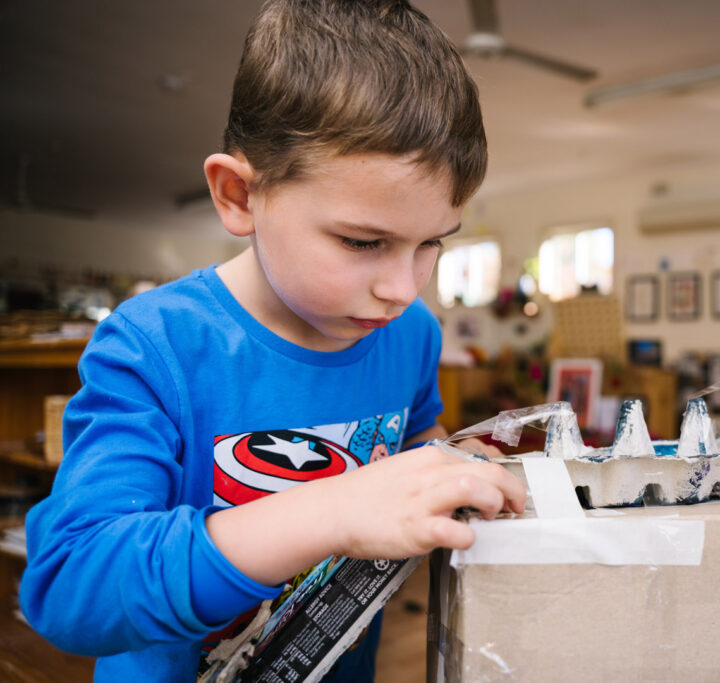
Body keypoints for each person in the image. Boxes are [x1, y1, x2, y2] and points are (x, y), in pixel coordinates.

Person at [19, 1, 526, 680]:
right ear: (238, 195)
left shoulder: (411, 336)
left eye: (431, 242)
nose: (405, 287)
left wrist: (454, 465)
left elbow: (413, 440)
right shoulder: (151, 346)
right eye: (363, 241)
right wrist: (334, 511)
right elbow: (70, 586)